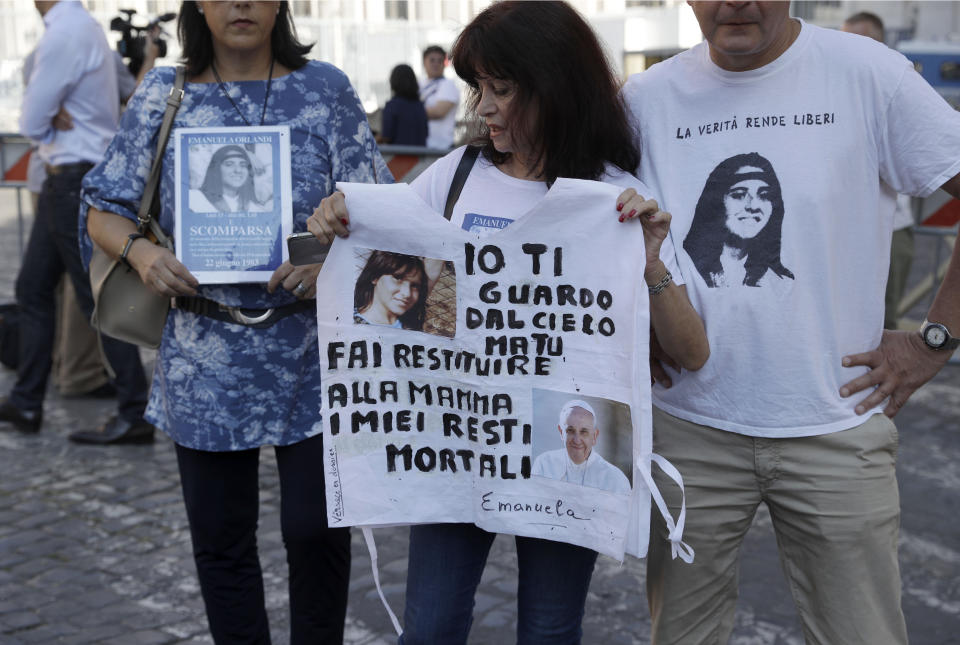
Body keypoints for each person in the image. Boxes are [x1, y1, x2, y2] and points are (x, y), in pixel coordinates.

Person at [309, 3, 709, 643]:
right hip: (457, 443)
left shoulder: (614, 199)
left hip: (555, 454)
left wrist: (652, 260)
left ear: (554, 90)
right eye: (479, 89)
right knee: (431, 626)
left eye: (503, 90)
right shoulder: (455, 178)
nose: (484, 108)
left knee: (550, 629)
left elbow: (691, 352)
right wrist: (342, 222)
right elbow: (393, 276)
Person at [621, 2, 960, 643]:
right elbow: (598, 228)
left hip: (835, 426)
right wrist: (633, 331)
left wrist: (933, 341)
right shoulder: (645, 99)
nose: (735, 2)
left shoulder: (868, 75)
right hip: (688, 431)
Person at [79, 1, 390, 642]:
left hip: (314, 353)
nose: (240, 3)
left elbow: (378, 207)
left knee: (316, 532)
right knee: (221, 544)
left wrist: (334, 253)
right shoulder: (165, 92)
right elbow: (102, 206)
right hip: (204, 356)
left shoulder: (324, 89)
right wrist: (140, 254)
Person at [1, 0, 153, 444]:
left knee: (96, 297)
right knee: (33, 290)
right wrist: (46, 114)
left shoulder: (66, 30)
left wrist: (44, 115)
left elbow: (30, 119)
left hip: (72, 179)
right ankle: (27, 400)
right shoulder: (75, 27)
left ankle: (133, 411)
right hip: (63, 181)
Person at [842, 11, 916, 330]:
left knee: (884, 325)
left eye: (862, 39)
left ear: (880, 40)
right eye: (848, 39)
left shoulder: (896, 85)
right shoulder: (840, 90)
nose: (853, 47)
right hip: (845, 232)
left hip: (891, 229)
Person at [685, 152, 794, 287]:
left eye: (764, 195)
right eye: (738, 195)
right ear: (716, 201)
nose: (753, 206)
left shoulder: (780, 282)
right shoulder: (686, 268)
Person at [532, 400, 631, 494]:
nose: (577, 440)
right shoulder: (544, 465)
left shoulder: (615, 480)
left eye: (584, 432)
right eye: (570, 431)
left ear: (594, 436)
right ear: (561, 432)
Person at [353, 250, 434, 329]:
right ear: (375, 277)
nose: (407, 293)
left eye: (415, 286)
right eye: (398, 278)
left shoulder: (409, 323)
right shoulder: (352, 324)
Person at [189, 144, 271, 212]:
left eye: (243, 165)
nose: (238, 170)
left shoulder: (255, 209)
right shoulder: (193, 199)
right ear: (215, 169)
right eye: (229, 164)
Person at [419, 45, 459, 150]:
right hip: (422, 146)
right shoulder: (419, 84)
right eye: (432, 60)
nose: (436, 64)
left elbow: (439, 112)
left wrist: (409, 111)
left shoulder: (448, 85)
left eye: (440, 61)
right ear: (424, 62)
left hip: (442, 148)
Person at [378, 64, 428, 146]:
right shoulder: (420, 106)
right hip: (419, 157)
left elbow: (386, 136)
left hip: (398, 157)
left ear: (393, 82)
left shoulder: (392, 105)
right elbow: (425, 134)